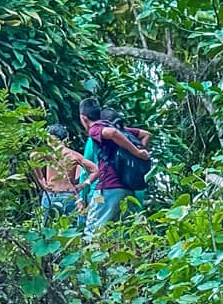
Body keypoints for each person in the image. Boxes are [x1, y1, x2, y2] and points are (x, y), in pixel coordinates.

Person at [79, 98, 153, 231]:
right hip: (126, 189)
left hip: (107, 187)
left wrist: (136, 152)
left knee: (92, 232)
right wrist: (141, 151)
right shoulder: (122, 131)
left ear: (83, 118)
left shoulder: (95, 129)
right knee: (118, 234)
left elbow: (111, 133)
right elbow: (146, 134)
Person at [37, 123, 95, 219]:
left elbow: (32, 158)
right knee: (70, 229)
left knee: (45, 230)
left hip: (53, 194)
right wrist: (83, 184)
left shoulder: (47, 154)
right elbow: (95, 170)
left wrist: (41, 180)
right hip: (66, 194)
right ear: (66, 140)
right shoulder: (72, 155)